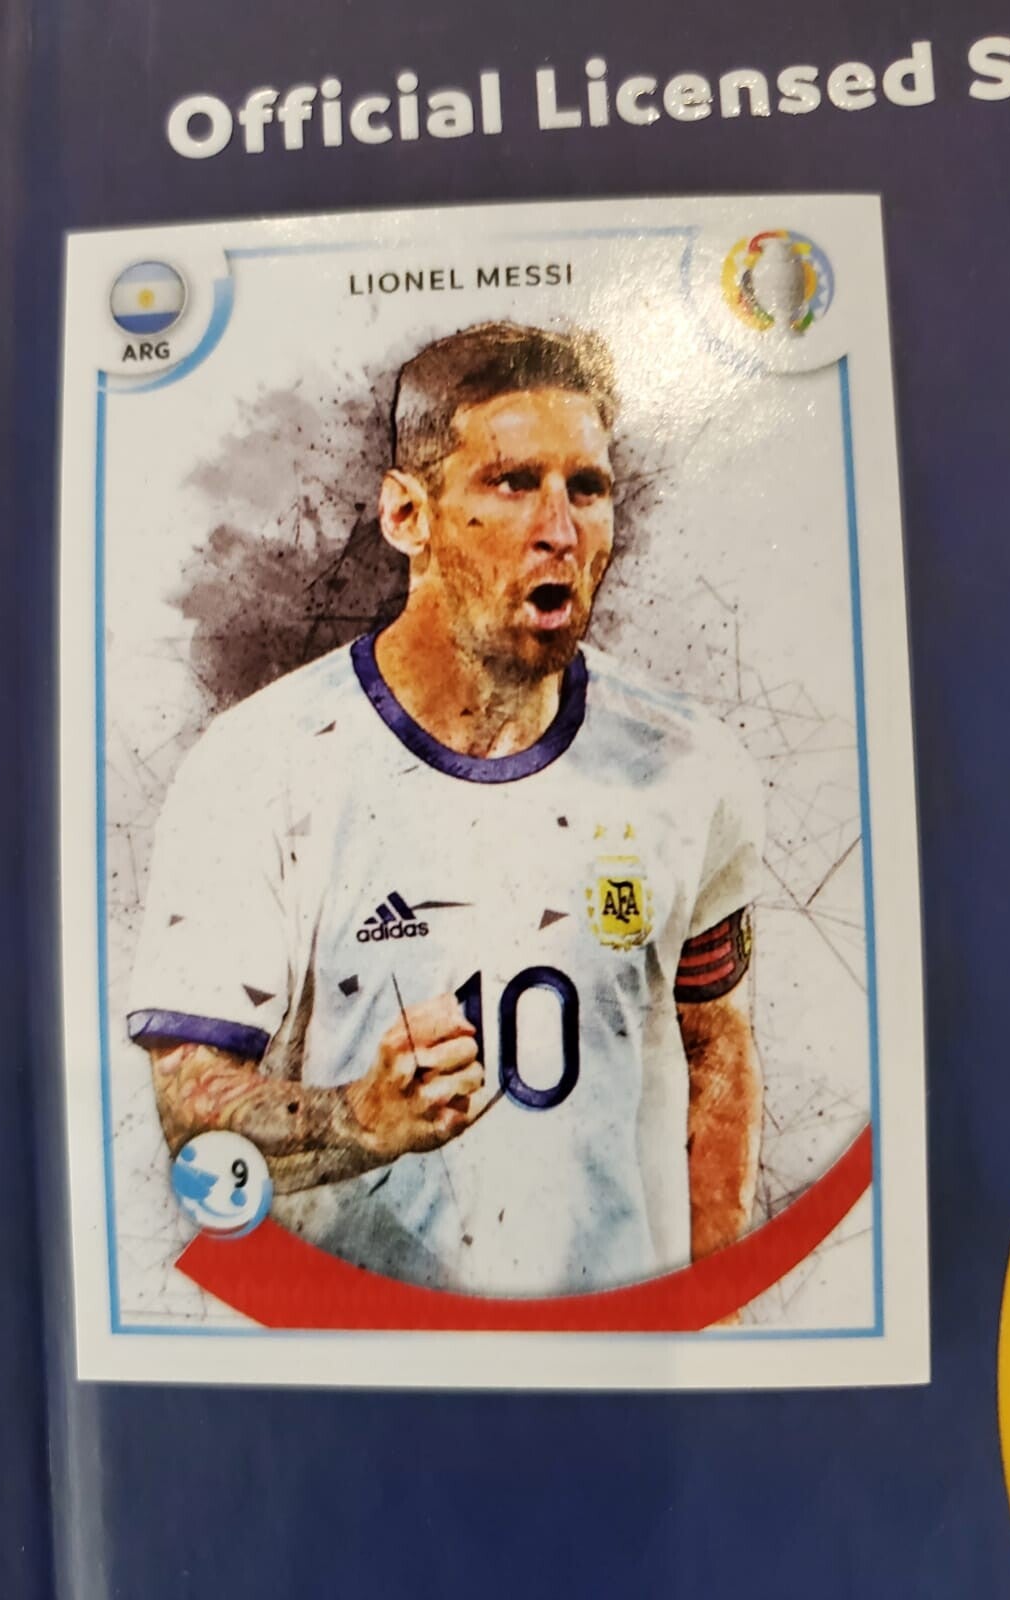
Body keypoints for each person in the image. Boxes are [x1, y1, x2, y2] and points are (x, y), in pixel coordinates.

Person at [127, 320, 764, 1298]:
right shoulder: (257, 767)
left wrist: (712, 1312)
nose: (560, 529)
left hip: (609, 1358)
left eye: (586, 488)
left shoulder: (690, 763)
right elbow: (190, 1104)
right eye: (512, 482)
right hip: (360, 1352)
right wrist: (356, 1118)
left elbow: (714, 1042)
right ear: (406, 514)